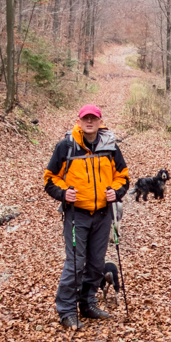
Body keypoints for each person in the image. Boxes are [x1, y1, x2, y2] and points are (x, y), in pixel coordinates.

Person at [43, 104, 129, 328]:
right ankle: (67, 311)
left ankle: (88, 303)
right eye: (85, 118)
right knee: (75, 263)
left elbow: (123, 176)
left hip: (102, 214)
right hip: (76, 214)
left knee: (96, 263)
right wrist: (64, 193)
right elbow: (50, 178)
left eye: (94, 118)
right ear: (79, 121)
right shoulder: (66, 147)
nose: (89, 122)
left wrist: (116, 192)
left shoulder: (110, 147)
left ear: (100, 122)